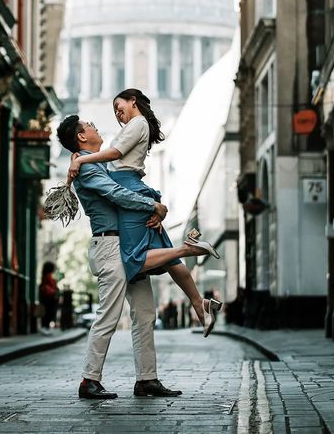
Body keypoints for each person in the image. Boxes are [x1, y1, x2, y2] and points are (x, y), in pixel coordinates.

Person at [57, 115, 205, 399]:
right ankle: (89, 379)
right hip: (110, 246)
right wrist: (153, 205)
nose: (95, 125)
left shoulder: (92, 163)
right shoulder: (89, 169)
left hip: (125, 245)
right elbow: (116, 193)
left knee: (145, 313)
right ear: (81, 137)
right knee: (108, 315)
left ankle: (147, 379)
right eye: (90, 124)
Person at [68, 88, 222, 336]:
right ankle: (200, 304)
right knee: (170, 260)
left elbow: (115, 155)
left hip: (128, 190)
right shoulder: (136, 125)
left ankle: (189, 247)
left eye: (120, 106)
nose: (118, 113)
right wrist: (81, 157)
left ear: (133, 101)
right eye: (115, 111)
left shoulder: (137, 123)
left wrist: (82, 160)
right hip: (135, 188)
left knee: (133, 259)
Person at [39, 261, 59, 333]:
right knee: (48, 313)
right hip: (48, 298)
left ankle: (45, 327)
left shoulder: (44, 276)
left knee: (47, 313)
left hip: (46, 298)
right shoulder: (48, 276)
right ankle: (45, 327)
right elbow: (51, 287)